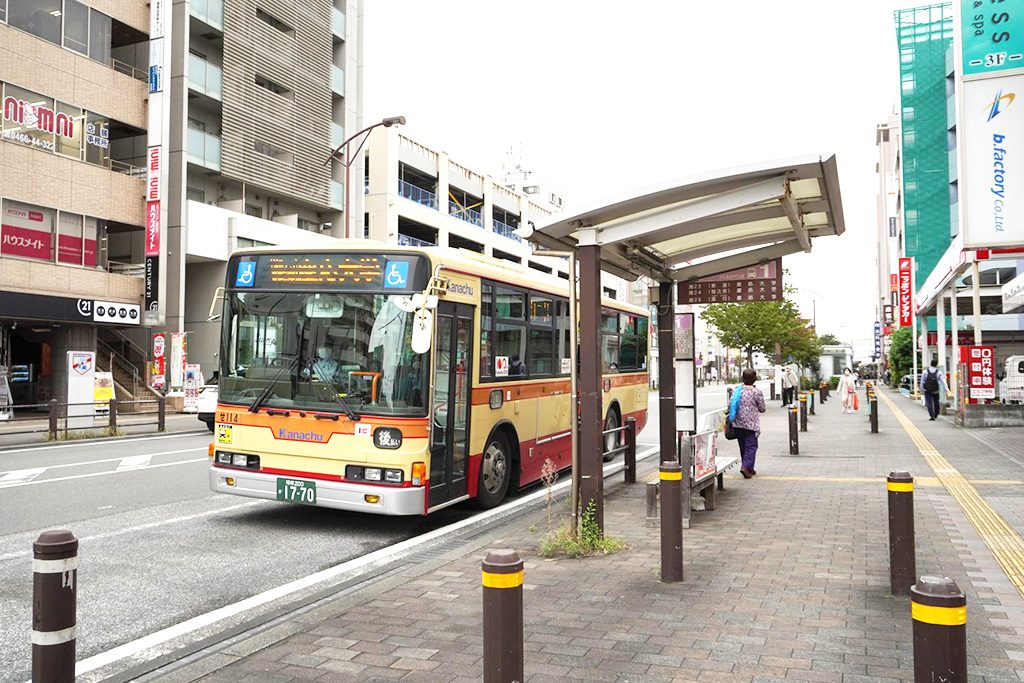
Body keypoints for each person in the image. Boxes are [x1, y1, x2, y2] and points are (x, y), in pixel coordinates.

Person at [730, 368, 766, 479]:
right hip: (751, 425)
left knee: (743, 446)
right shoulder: (757, 392)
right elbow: (762, 408)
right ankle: (746, 467)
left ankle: (749, 468)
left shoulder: (737, 391)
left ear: (742, 378)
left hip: (738, 423)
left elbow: (730, 404)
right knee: (751, 446)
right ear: (755, 379)